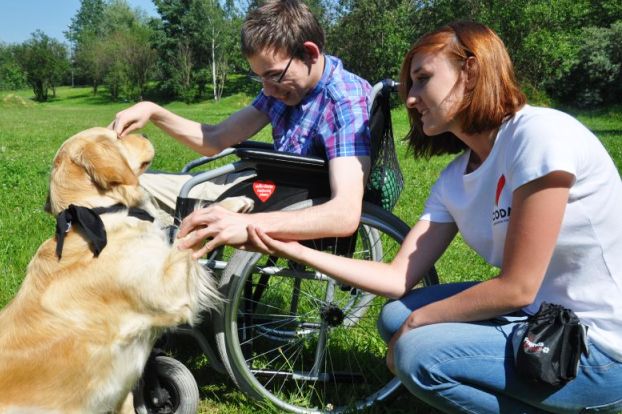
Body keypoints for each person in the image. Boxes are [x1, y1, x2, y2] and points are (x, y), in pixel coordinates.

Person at [245, 21, 622, 413]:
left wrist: (419, 323)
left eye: (423, 78)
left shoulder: (539, 136)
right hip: (539, 316)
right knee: (395, 316)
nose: (410, 98)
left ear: (470, 71)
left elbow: (517, 288)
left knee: (415, 352)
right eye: (411, 84)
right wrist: (297, 250)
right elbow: (396, 279)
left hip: (600, 347)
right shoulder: (455, 178)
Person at [110, 0, 372, 256]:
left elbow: (344, 214)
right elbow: (214, 139)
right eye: (260, 77)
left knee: (123, 187)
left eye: (274, 75)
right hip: (267, 185)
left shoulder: (344, 102)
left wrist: (247, 224)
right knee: (125, 183)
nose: (267, 90)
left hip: (272, 199)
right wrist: (153, 112)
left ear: (310, 53)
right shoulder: (288, 88)